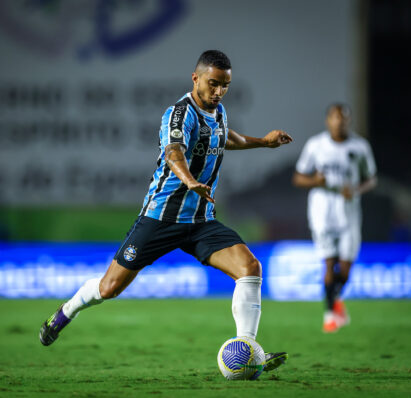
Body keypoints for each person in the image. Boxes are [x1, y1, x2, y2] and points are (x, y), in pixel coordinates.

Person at [39, 50, 293, 372]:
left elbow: (225, 136)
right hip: (161, 218)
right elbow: (174, 152)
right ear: (195, 78)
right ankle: (65, 313)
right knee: (109, 288)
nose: (218, 92)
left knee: (249, 268)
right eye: (213, 84)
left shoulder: (218, 111)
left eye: (225, 86)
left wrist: (263, 142)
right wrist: (189, 181)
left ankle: (248, 349)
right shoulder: (178, 114)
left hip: (200, 220)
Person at [292, 103, 376, 333]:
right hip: (322, 211)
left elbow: (371, 178)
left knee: (346, 268)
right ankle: (330, 314)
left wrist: (356, 190)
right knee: (329, 263)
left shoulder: (360, 146)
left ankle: (336, 301)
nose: (339, 122)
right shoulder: (316, 145)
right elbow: (299, 178)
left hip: (348, 212)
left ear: (349, 121)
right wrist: (314, 182)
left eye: (343, 119)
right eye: (334, 118)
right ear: (328, 120)